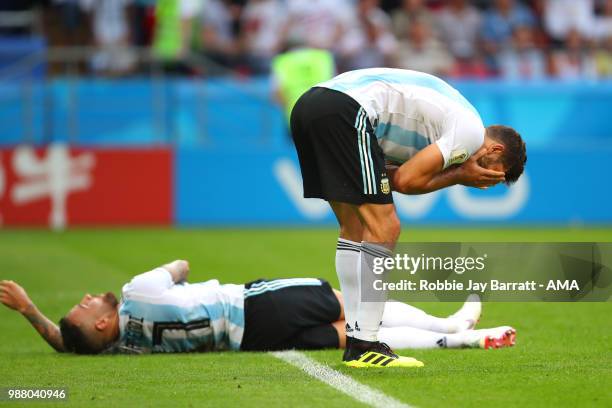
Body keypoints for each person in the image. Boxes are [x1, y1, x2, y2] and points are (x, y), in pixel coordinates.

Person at [290, 68, 526, 368]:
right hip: (346, 110)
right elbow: (406, 181)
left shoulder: (442, 122)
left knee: (355, 226)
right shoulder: (470, 133)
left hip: (309, 106)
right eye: (491, 171)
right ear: (494, 149)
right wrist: (459, 175)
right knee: (386, 227)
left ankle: (355, 338)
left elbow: (385, 177)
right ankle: (365, 343)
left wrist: (453, 173)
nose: (483, 177)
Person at [0, 260, 516, 358]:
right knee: (359, 305)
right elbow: (179, 266)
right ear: (104, 321)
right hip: (254, 301)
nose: (87, 299)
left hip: (249, 340)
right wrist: (177, 276)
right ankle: (451, 322)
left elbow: (69, 344)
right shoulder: (138, 292)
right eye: (86, 306)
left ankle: (461, 338)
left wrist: (29, 310)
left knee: (349, 337)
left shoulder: (123, 348)